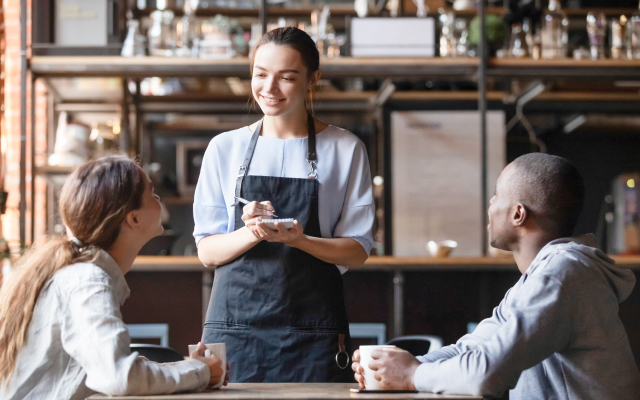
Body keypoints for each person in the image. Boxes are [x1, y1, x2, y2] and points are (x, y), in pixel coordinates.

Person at [352, 153, 640, 399]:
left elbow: (486, 372)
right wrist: (393, 367)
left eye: (496, 195)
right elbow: (473, 349)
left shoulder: (562, 274)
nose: (490, 205)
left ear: (518, 214)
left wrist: (412, 374)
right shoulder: (541, 277)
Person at [194, 27, 374, 383]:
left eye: (286, 77)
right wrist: (252, 232)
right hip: (234, 331)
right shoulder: (223, 148)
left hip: (314, 332)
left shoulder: (345, 148)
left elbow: (357, 251)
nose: (269, 89)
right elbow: (208, 251)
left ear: (312, 80)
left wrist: (299, 240)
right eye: (260, 75)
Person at [0, 156, 228, 400]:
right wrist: (198, 372)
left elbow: (100, 373)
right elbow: (119, 376)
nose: (158, 198)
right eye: (151, 193)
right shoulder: (87, 281)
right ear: (134, 219)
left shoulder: (79, 274)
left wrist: (189, 369)